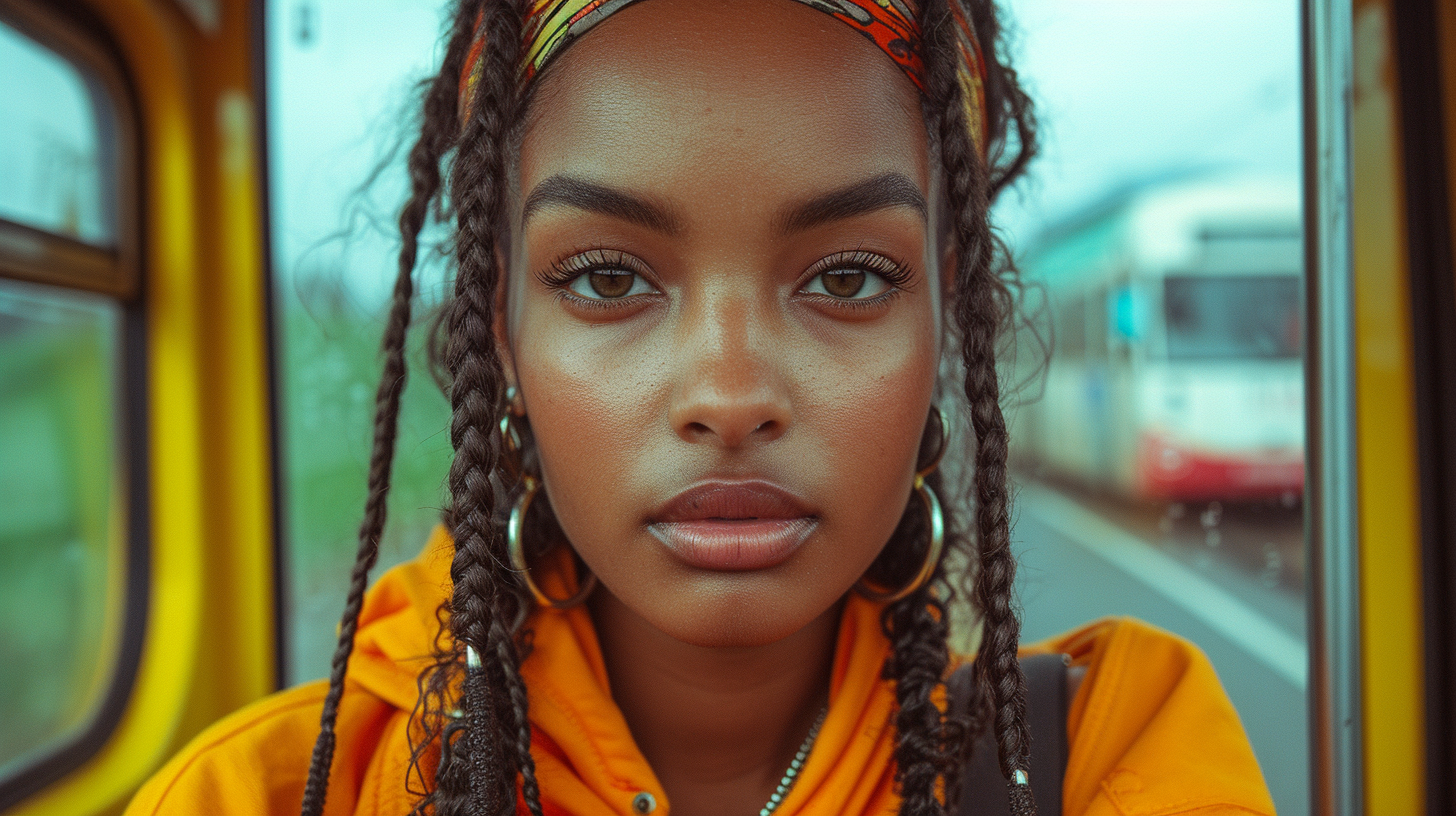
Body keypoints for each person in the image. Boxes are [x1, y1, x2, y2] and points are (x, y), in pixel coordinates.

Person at [126, 1, 1277, 815]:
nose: (729, 398)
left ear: (947, 321)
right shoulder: (264, 794)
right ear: (502, 336)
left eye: (847, 278)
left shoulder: (1107, 754)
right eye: (606, 279)